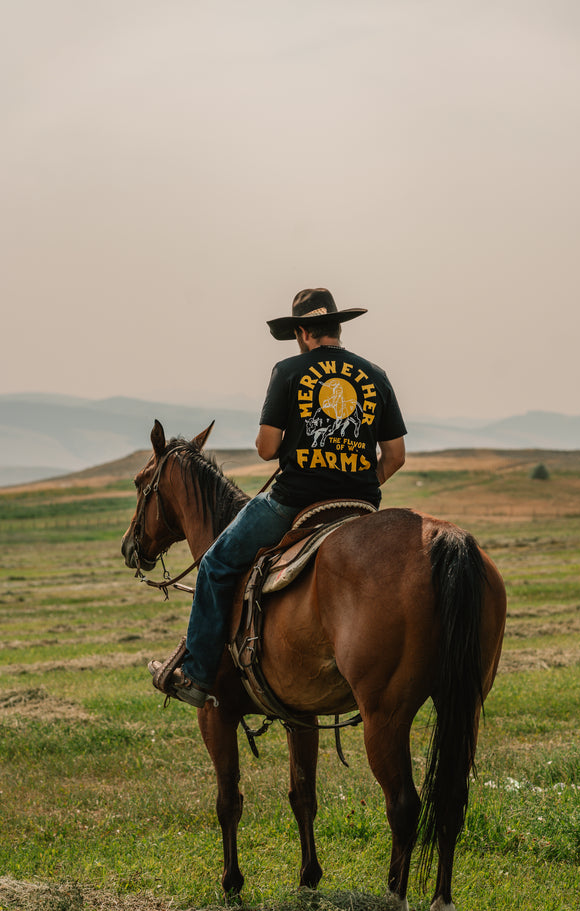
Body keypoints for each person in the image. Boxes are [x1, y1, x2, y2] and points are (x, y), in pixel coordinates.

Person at [149, 287, 407, 707]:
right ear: (337, 328)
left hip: (293, 503)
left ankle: (196, 674)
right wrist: (357, 478)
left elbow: (267, 448)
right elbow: (395, 457)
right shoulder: (375, 374)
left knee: (215, 564)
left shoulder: (288, 371)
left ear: (303, 332)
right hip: (360, 506)